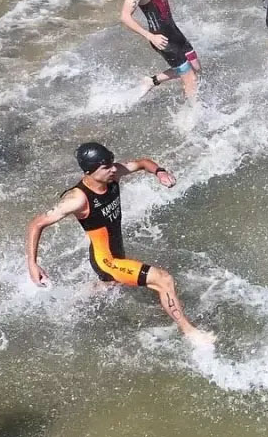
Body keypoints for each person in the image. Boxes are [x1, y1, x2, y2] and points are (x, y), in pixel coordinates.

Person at [25, 142, 214, 345]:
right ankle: (190, 332)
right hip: (106, 259)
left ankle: (71, 306)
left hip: (115, 251)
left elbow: (142, 163)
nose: (113, 169)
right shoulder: (77, 199)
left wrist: (159, 172)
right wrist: (32, 264)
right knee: (163, 279)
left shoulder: (112, 175)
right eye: (106, 167)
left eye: (112, 164)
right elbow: (36, 224)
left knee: (109, 285)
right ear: (89, 172)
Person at [120, 0, 207, 99]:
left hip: (173, 31)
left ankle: (151, 81)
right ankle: (193, 115)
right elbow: (125, 16)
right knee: (190, 79)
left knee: (195, 67)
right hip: (161, 38)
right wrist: (150, 36)